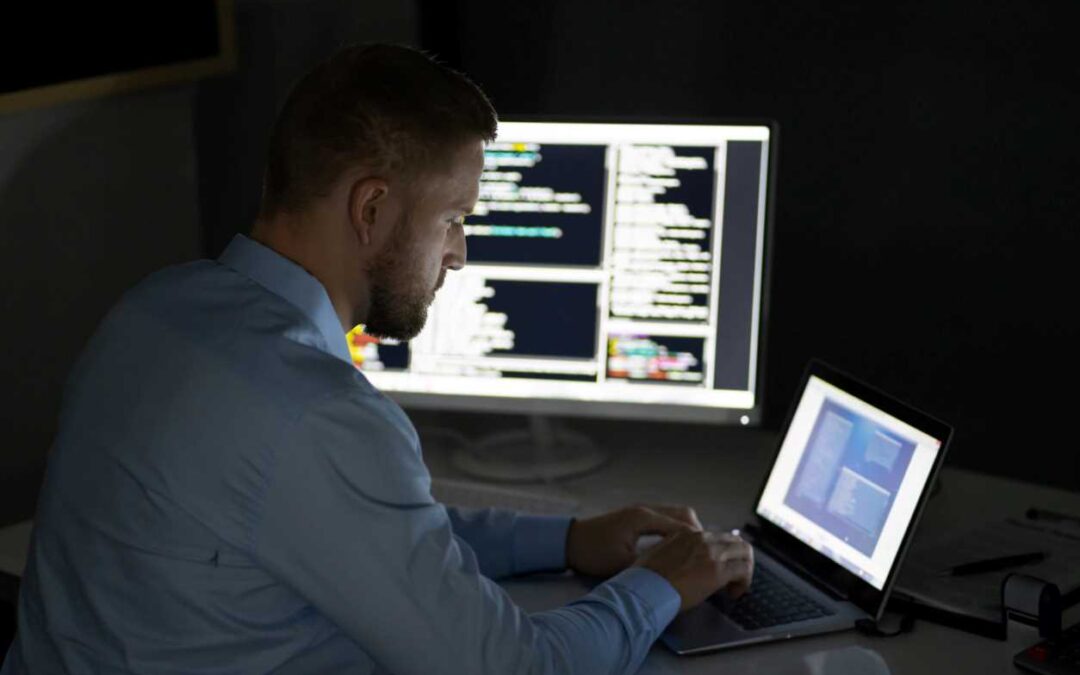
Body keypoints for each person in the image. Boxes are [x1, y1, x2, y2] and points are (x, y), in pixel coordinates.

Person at [1, 44, 753, 674]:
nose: (459, 253)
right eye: (454, 217)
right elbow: (521, 668)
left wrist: (563, 538)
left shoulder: (151, 311)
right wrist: (661, 582)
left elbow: (373, 533)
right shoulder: (317, 411)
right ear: (371, 208)